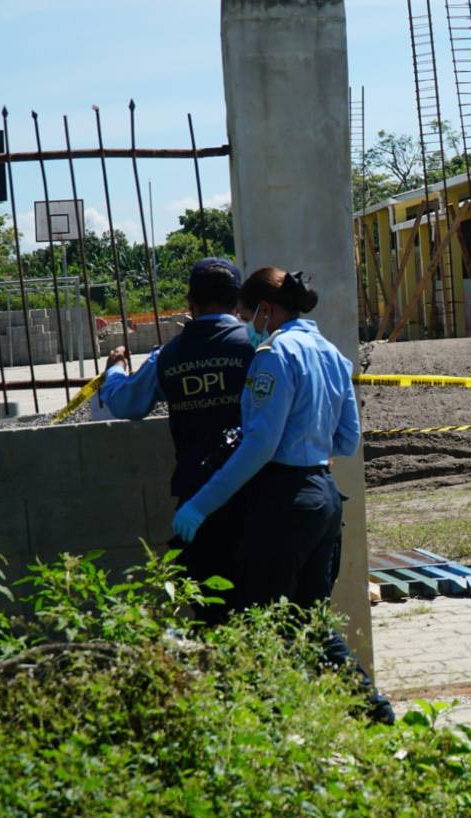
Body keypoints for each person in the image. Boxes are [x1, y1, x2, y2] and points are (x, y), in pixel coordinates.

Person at [171, 266, 395, 725]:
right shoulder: (330, 353)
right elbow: (347, 441)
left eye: (247, 315)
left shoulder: (272, 355)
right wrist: (306, 442)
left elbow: (259, 446)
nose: (246, 325)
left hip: (285, 502)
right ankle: (376, 716)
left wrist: (201, 504)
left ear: (265, 310)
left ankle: (271, 730)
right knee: (308, 622)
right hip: (325, 497)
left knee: (260, 623)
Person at [98, 257, 254, 624]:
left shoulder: (169, 355)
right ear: (237, 302)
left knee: (212, 609)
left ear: (190, 303)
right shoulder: (257, 346)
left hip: (197, 498)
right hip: (257, 493)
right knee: (263, 603)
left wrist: (114, 372)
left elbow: (126, 403)